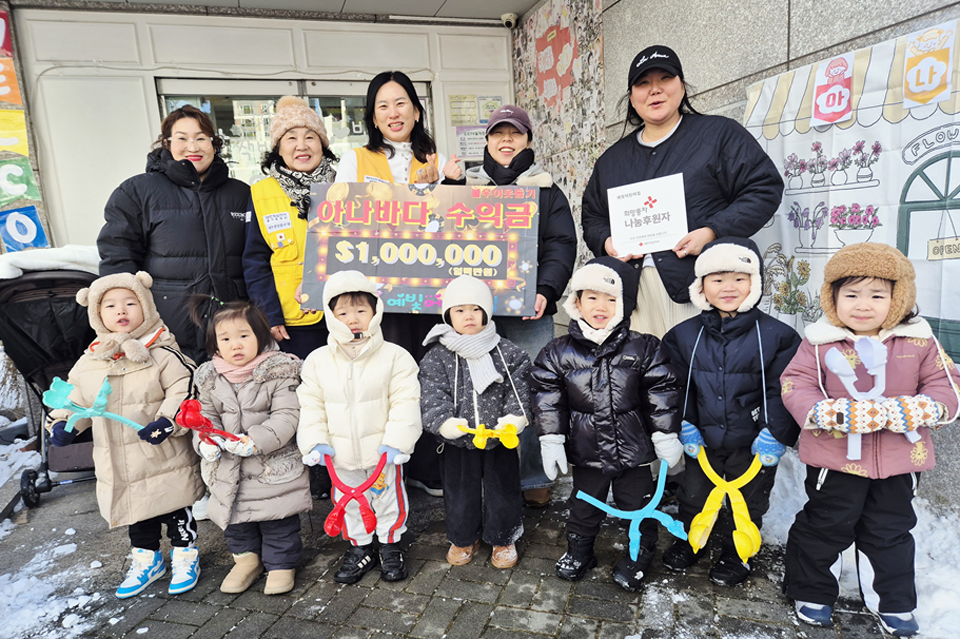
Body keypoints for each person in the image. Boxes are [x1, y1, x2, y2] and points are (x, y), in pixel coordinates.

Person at [780, 243, 960, 637]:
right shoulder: (819, 341)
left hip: (900, 459)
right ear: (832, 297)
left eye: (877, 295)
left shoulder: (919, 340)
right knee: (826, 524)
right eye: (852, 294)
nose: (863, 305)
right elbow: (796, 384)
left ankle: (892, 601)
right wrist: (826, 413)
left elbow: (947, 384)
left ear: (899, 298)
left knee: (890, 530)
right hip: (835, 459)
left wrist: (925, 408)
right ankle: (811, 591)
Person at [580, 45, 783, 339]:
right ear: (632, 98)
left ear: (682, 86)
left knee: (697, 364)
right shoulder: (612, 160)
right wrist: (607, 242)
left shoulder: (718, 135)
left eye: (665, 78)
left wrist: (712, 231)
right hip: (633, 292)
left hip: (701, 284)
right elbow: (593, 216)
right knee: (645, 366)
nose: (655, 90)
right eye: (643, 83)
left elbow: (763, 187)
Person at [335, 70, 460, 498]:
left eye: (401, 102)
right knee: (383, 378)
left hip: (428, 291)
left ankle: (426, 465)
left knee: (428, 375)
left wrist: (448, 186)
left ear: (417, 110)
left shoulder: (437, 161)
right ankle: (385, 469)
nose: (393, 113)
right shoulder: (354, 160)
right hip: (378, 295)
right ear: (373, 116)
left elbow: (454, 225)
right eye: (383, 106)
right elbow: (342, 222)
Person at [529, 256, 684, 592]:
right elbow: (547, 398)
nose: (601, 307)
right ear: (577, 302)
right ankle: (579, 551)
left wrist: (665, 434)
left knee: (640, 505)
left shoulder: (644, 347)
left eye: (611, 299)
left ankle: (639, 556)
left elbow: (661, 392)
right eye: (592, 297)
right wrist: (551, 438)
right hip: (587, 451)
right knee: (584, 505)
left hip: (633, 451)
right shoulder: (557, 352)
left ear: (623, 304)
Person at [47, 272, 203, 599]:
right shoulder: (90, 361)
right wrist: (63, 423)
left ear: (146, 306)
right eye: (110, 305)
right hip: (119, 461)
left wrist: (168, 421)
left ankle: (185, 554)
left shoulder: (163, 352)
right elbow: (74, 397)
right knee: (137, 515)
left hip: (163, 454)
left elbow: (185, 388)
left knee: (175, 508)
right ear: (97, 314)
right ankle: (147, 560)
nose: (121, 310)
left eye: (131, 303)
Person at [660, 238, 801, 586]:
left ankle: (738, 550)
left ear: (755, 282)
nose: (728, 287)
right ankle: (692, 539)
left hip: (753, 440)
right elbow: (676, 385)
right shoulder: (683, 335)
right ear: (701, 286)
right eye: (718, 279)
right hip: (702, 438)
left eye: (739, 278)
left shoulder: (779, 337)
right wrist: (685, 423)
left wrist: (774, 431)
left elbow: (784, 388)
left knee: (749, 499)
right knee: (694, 494)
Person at [460, 104, 577, 508]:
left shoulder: (546, 190)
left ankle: (533, 476)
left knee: (531, 390)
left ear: (527, 140)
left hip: (530, 310)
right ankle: (487, 478)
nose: (506, 140)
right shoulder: (465, 187)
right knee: (478, 391)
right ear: (487, 140)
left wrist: (546, 288)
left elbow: (561, 244)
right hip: (475, 312)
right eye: (498, 133)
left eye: (515, 133)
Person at [98, 105, 250, 364]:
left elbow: (258, 258)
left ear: (214, 144)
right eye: (182, 138)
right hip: (166, 330)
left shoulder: (241, 194)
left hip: (233, 329)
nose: (193, 147)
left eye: (201, 138)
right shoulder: (138, 191)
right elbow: (118, 259)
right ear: (167, 143)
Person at [297, 270, 421, 584]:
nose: (353, 319)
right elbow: (311, 405)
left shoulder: (395, 357)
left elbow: (405, 401)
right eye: (343, 313)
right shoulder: (317, 361)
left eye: (361, 311)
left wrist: (397, 442)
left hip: (383, 454)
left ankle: (390, 544)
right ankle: (360, 546)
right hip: (339, 454)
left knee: (389, 499)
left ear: (376, 312)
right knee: (349, 502)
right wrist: (315, 441)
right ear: (330, 315)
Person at [243, 95, 336, 501]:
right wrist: (269, 314)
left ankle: (349, 467)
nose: (302, 145)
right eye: (291, 138)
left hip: (344, 313)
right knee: (304, 397)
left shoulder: (345, 185)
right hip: (294, 319)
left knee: (344, 393)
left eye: (310, 136)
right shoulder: (261, 193)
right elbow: (255, 260)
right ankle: (316, 473)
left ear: (323, 143)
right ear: (277, 148)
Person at [189, 299, 311, 596]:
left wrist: (256, 440)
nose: (236, 345)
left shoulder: (280, 371)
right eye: (225, 339)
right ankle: (246, 561)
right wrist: (205, 442)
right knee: (236, 520)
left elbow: (287, 415)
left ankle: (281, 564)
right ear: (214, 343)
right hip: (228, 467)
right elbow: (204, 418)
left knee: (278, 518)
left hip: (271, 463)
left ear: (261, 335)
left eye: (244, 335)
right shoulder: (209, 378)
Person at [418, 275, 532, 568]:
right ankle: (463, 536)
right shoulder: (438, 356)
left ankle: (503, 536)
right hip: (458, 440)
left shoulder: (507, 352)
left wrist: (515, 417)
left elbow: (520, 387)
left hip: (499, 437)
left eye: (475, 309)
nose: (468, 316)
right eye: (460, 310)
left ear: (486, 312)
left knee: (503, 488)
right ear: (448, 315)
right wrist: (442, 421)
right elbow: (431, 393)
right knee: (459, 492)